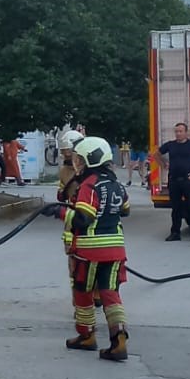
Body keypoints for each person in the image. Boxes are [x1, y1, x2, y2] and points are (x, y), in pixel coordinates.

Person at [61, 136, 129, 361]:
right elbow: (125, 210)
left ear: (91, 160)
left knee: (83, 293)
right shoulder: (116, 184)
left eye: (80, 159)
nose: (76, 164)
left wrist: (59, 212)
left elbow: (83, 219)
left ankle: (87, 336)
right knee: (111, 293)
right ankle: (118, 339)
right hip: (116, 249)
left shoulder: (89, 185)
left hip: (89, 251)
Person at [156, 122, 190, 242]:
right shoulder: (170, 145)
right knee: (176, 209)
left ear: (186, 132)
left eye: (180, 131)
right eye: (176, 131)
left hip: (188, 181)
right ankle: (175, 233)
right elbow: (157, 154)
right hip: (174, 180)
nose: (178, 134)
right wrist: (163, 164)